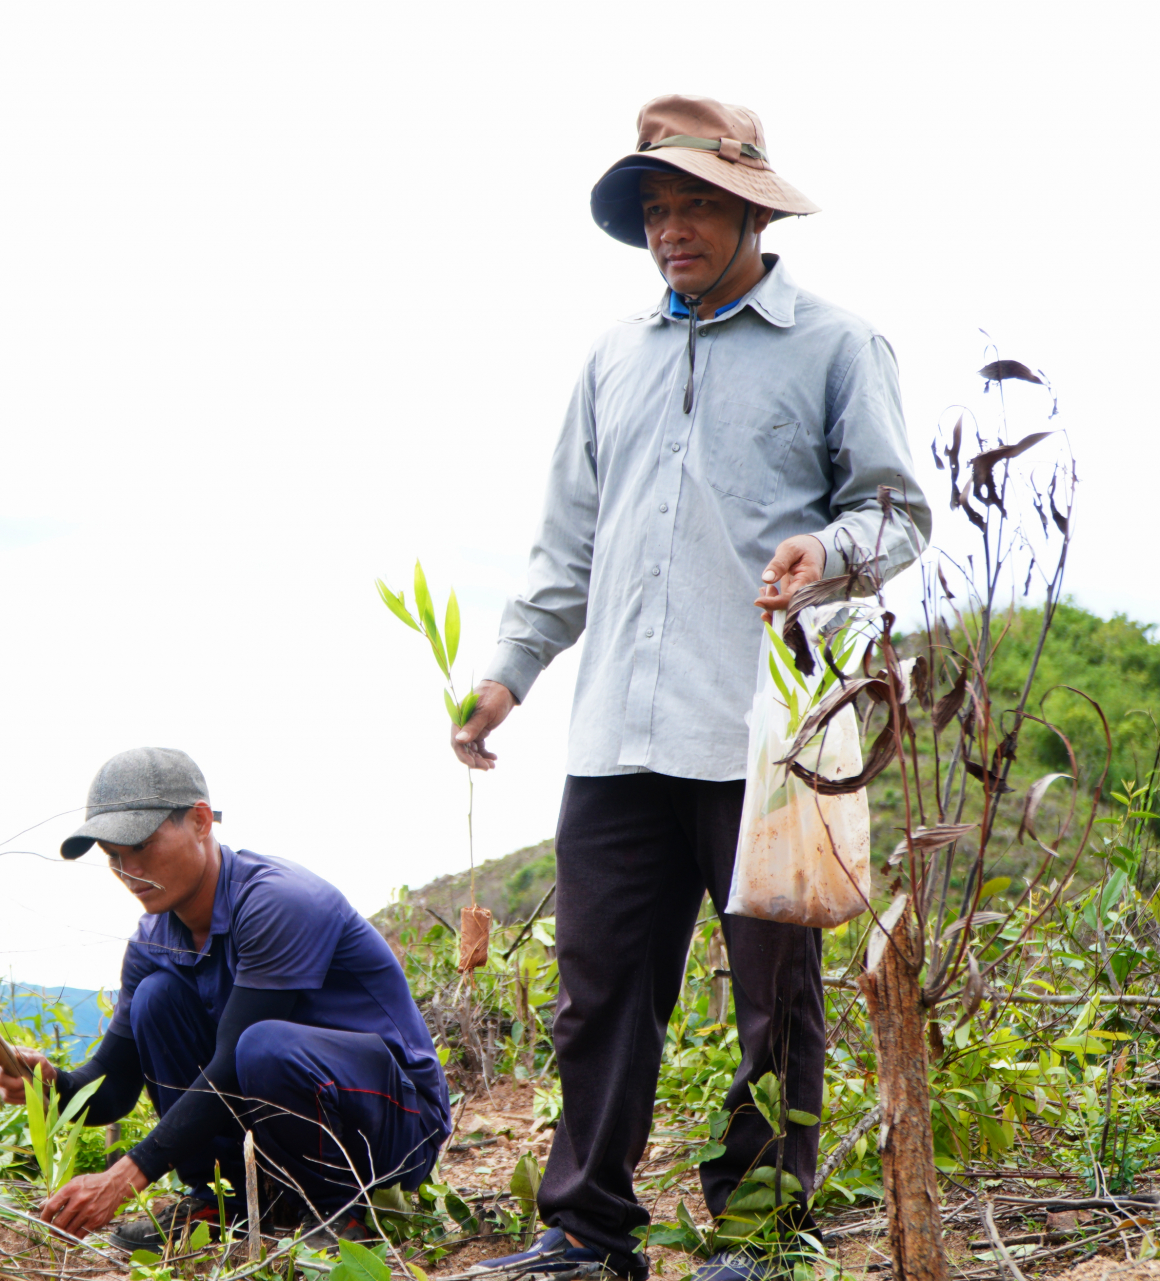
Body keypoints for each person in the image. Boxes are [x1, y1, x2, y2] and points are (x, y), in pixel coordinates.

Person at [453, 96, 931, 1280]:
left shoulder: (835, 346)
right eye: (658, 209)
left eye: (697, 206)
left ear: (754, 213)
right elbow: (567, 548)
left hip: (762, 729)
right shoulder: (615, 357)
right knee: (600, 986)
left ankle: (765, 1226)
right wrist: (509, 676)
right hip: (616, 729)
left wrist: (828, 553)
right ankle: (586, 1228)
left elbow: (897, 511)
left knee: (775, 993)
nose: (673, 229)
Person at [0, 746, 451, 1248]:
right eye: (113, 855)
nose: (127, 869)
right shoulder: (153, 939)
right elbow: (111, 1089)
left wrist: (127, 1175)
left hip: (395, 1127)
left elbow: (234, 1064)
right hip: (283, 1129)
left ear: (200, 821)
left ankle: (341, 1211)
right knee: (155, 998)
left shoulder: (277, 901)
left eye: (140, 845)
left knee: (261, 1045)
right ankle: (228, 1198)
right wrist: (49, 1086)